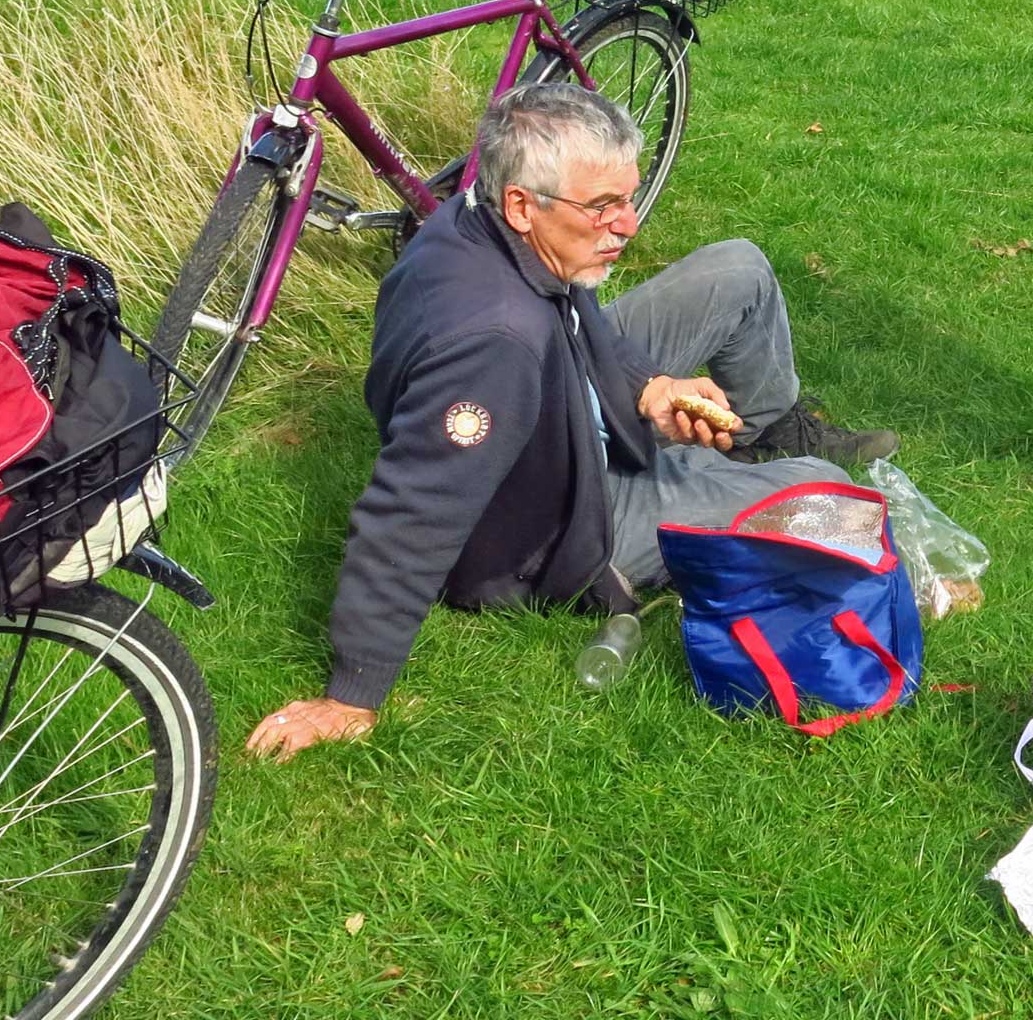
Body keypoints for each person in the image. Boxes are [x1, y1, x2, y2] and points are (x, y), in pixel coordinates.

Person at [247, 83, 897, 756]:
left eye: (628, 198)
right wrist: (353, 690)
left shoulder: (482, 219)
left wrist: (648, 388)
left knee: (740, 270)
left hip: (563, 400)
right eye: (604, 208)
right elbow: (412, 513)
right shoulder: (495, 346)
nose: (629, 225)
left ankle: (760, 432)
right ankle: (729, 484)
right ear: (523, 205)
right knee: (833, 499)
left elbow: (577, 315)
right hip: (564, 524)